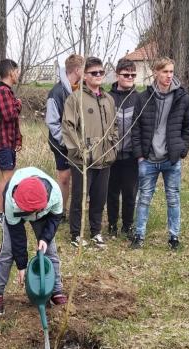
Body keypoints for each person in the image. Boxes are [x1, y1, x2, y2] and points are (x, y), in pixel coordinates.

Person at [130, 57, 189, 250]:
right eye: (165, 71)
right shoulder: (143, 98)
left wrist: (181, 150)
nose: (169, 76)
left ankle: (174, 237)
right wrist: (140, 155)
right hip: (148, 159)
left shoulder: (182, 98)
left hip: (171, 159)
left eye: (171, 72)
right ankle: (139, 236)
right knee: (143, 199)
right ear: (156, 73)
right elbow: (136, 128)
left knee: (173, 199)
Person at [0, 167, 67, 316]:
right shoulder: (11, 200)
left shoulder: (55, 193)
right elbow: (17, 234)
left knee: (49, 251)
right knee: (8, 251)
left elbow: (55, 218)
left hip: (43, 215)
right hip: (18, 214)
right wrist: (21, 264)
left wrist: (45, 238)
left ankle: (56, 290)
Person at [61, 56, 118, 248]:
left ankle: (96, 232)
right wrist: (80, 150)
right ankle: (76, 234)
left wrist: (113, 146)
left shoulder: (108, 99)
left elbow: (114, 125)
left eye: (101, 72)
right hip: (83, 160)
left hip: (105, 158)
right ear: (85, 75)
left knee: (99, 198)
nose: (99, 76)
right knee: (78, 197)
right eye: (94, 73)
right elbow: (68, 126)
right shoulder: (75, 99)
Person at [45, 54, 84, 220]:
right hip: (61, 144)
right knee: (64, 177)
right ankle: (60, 212)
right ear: (77, 70)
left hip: (79, 143)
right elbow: (52, 123)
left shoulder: (81, 89)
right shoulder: (56, 92)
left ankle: (75, 212)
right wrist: (67, 141)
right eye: (84, 69)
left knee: (78, 178)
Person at [106, 58, 140, 240]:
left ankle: (128, 225)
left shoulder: (139, 98)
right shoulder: (107, 98)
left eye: (133, 75)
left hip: (131, 155)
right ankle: (112, 224)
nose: (130, 78)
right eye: (126, 75)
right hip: (111, 155)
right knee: (111, 192)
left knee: (129, 192)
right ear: (117, 75)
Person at [0, 59, 22, 226]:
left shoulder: (7, 91)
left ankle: (4, 209)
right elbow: (10, 115)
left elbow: (12, 120)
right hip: (2, 142)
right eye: (17, 71)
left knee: (9, 176)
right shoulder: (2, 91)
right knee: (6, 177)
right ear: (11, 73)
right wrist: (18, 105)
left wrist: (17, 139)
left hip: (8, 142)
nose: (18, 75)